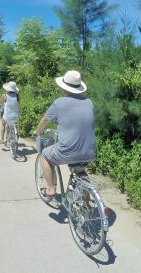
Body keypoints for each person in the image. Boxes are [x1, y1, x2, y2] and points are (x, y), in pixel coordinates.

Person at [33, 70, 96, 198]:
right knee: (79, 170)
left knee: (45, 155)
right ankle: (87, 202)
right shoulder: (89, 102)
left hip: (67, 151)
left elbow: (45, 120)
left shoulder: (59, 103)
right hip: (90, 152)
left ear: (64, 87)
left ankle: (50, 189)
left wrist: (38, 131)